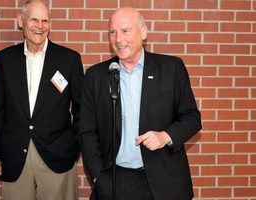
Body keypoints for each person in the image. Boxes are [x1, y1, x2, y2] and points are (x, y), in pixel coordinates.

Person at [78, 7, 202, 200]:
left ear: (143, 32)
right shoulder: (96, 76)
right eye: (113, 32)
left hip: (164, 181)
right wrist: (98, 177)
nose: (118, 39)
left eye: (125, 31)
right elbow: (87, 131)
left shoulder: (171, 69)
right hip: (114, 181)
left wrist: (165, 136)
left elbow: (192, 118)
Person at [0, 0, 84, 199]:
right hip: (15, 156)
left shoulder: (69, 59)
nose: (40, 26)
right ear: (21, 21)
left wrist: (74, 145)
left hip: (58, 156)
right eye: (34, 19)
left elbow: (81, 109)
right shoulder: (4, 60)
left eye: (45, 20)